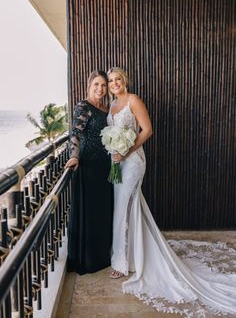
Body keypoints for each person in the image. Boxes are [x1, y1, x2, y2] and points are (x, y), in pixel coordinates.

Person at [107, 67, 236, 316]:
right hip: (116, 162)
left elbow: (147, 130)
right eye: (111, 81)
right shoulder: (112, 105)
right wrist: (114, 150)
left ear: (125, 81)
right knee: (125, 209)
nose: (114, 84)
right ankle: (133, 255)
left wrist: (126, 150)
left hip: (133, 162)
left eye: (117, 80)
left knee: (126, 207)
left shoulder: (133, 100)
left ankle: (122, 264)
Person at [65, 70, 113, 275]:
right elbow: (75, 134)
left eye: (103, 85)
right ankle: (87, 260)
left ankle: (102, 256)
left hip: (105, 165)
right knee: (89, 212)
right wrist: (74, 156)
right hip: (88, 165)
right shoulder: (83, 106)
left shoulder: (105, 107)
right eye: (96, 85)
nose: (100, 89)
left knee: (102, 211)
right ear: (89, 85)